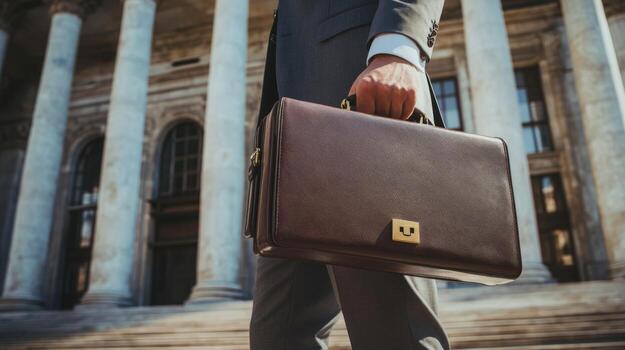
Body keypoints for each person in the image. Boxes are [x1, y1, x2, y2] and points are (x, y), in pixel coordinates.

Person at [249, 1, 449, 349]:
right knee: (278, 337)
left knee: (394, 332)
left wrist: (398, 50)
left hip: (365, 104)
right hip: (291, 140)